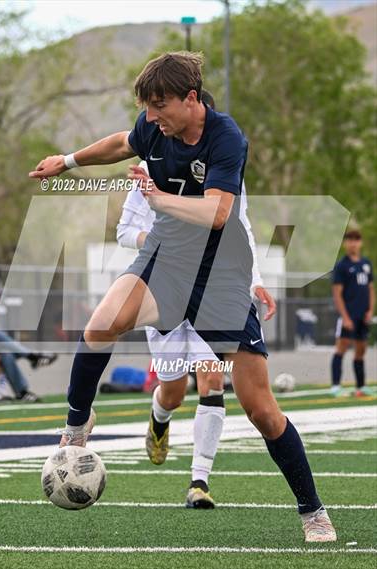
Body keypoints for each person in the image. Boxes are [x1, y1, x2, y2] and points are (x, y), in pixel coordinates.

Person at [29, 51, 336, 542]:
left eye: (160, 106)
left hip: (220, 275)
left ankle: (312, 510)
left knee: (261, 409)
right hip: (167, 260)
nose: (152, 117)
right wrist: (67, 163)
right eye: (147, 108)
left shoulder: (226, 137)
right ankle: (77, 425)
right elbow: (120, 143)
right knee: (100, 325)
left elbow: (217, 214)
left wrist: (158, 199)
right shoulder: (153, 127)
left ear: (191, 99)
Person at [116, 90, 276, 508]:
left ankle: (199, 481)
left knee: (211, 375)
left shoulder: (225, 172)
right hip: (167, 285)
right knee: (171, 389)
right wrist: (160, 240)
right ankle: (160, 418)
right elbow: (123, 232)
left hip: (215, 286)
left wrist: (256, 279)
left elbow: (241, 229)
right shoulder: (149, 171)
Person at [331, 229, 374, 397]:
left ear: (360, 242)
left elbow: (371, 289)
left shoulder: (366, 264)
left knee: (361, 349)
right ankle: (335, 386)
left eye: (356, 240)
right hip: (348, 315)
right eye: (350, 240)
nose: (353, 243)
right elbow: (337, 293)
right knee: (341, 347)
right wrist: (345, 316)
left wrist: (370, 310)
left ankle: (361, 386)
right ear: (345, 243)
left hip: (363, 316)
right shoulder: (342, 266)